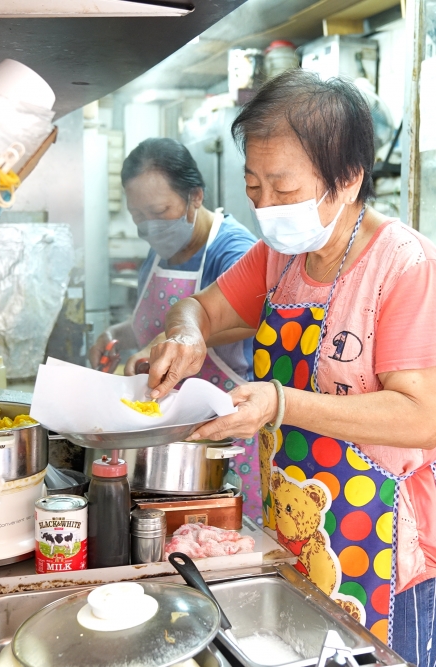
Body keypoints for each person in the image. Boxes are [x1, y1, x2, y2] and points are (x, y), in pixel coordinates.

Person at [142, 71, 436, 667]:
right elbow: (201, 308)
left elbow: (423, 416)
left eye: (283, 188)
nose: (264, 206)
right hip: (302, 533)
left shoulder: (406, 267)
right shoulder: (277, 259)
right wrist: (186, 334)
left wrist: (280, 403)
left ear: (346, 180)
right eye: (253, 187)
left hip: (391, 548)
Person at [86, 137, 263, 524]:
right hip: (164, 436)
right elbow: (154, 319)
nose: (150, 226)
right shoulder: (160, 245)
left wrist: (169, 342)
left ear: (194, 197)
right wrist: (119, 334)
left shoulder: (233, 250)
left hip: (219, 440)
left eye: (160, 210)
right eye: (138, 216)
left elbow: (245, 318)